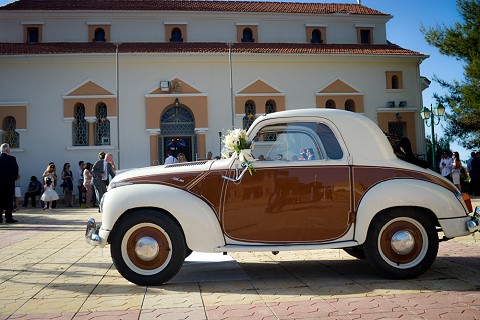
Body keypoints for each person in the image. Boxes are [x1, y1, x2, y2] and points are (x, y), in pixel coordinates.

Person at [0, 143, 19, 223]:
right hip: (9, 184)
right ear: (7, 150)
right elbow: (15, 171)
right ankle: (8, 218)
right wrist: (14, 178)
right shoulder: (12, 159)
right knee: (9, 200)